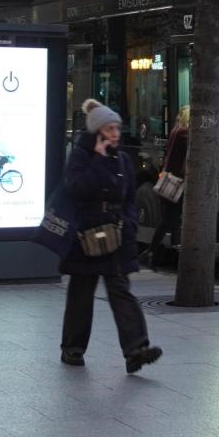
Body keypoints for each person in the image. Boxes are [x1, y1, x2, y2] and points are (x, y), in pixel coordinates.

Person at [60, 101, 162, 373]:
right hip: (85, 237)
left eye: (117, 127)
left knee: (120, 291)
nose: (116, 133)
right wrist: (97, 160)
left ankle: (136, 350)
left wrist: (129, 223)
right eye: (109, 128)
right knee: (81, 293)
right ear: (97, 131)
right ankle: (72, 348)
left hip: (117, 236)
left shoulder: (123, 159)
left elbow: (129, 197)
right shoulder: (81, 156)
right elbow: (77, 188)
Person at [145, 106, 189, 269]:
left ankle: (156, 253)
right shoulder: (184, 133)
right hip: (175, 182)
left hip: (170, 180)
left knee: (172, 220)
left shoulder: (175, 131)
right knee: (170, 220)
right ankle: (152, 252)